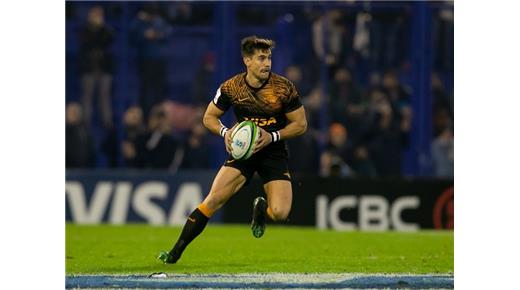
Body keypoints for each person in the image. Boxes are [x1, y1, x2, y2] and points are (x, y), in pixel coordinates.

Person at [158, 36, 307, 264]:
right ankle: (174, 252)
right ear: (247, 60)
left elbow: (300, 124)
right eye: (261, 58)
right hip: (243, 154)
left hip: (273, 153)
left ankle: (262, 212)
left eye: (268, 58)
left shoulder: (283, 87)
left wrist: (272, 136)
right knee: (213, 200)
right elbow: (209, 118)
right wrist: (226, 133)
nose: (267, 63)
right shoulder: (231, 87)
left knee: (280, 213)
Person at [78, 5, 115, 129]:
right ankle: (85, 122)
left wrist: (101, 27)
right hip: (88, 68)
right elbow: (87, 43)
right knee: (87, 96)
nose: (96, 17)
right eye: (94, 14)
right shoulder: (85, 30)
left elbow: (108, 41)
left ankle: (107, 122)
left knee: (105, 96)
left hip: (104, 68)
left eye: (99, 15)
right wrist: (94, 29)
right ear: (89, 16)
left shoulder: (106, 30)